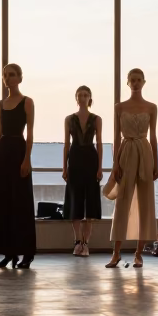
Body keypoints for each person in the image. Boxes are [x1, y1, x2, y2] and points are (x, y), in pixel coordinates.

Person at [105, 68, 158, 268]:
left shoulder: (152, 107)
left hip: (144, 151)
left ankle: (138, 253)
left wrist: (156, 163)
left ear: (143, 82)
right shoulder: (119, 107)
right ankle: (116, 253)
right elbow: (116, 137)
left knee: (145, 201)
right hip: (126, 151)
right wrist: (114, 164)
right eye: (132, 80)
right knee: (123, 201)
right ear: (128, 83)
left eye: (138, 80)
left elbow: (153, 136)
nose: (135, 83)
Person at [0, 63, 36, 269]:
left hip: (18, 150)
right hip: (3, 153)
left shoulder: (27, 102)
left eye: (12, 75)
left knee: (21, 203)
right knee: (3, 204)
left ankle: (27, 253)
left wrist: (27, 159)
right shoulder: (0, 104)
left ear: (20, 78)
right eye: (5, 75)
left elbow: (30, 133)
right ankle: (9, 253)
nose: (8, 78)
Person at [62, 84, 103, 257]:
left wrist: (100, 167)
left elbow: (100, 143)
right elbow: (66, 144)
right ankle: (77, 241)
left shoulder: (96, 119)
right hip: (76, 157)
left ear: (90, 98)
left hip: (91, 158)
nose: (83, 97)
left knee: (91, 203)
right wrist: (64, 167)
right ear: (76, 98)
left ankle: (86, 243)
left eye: (86, 95)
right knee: (75, 201)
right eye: (80, 94)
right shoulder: (69, 119)